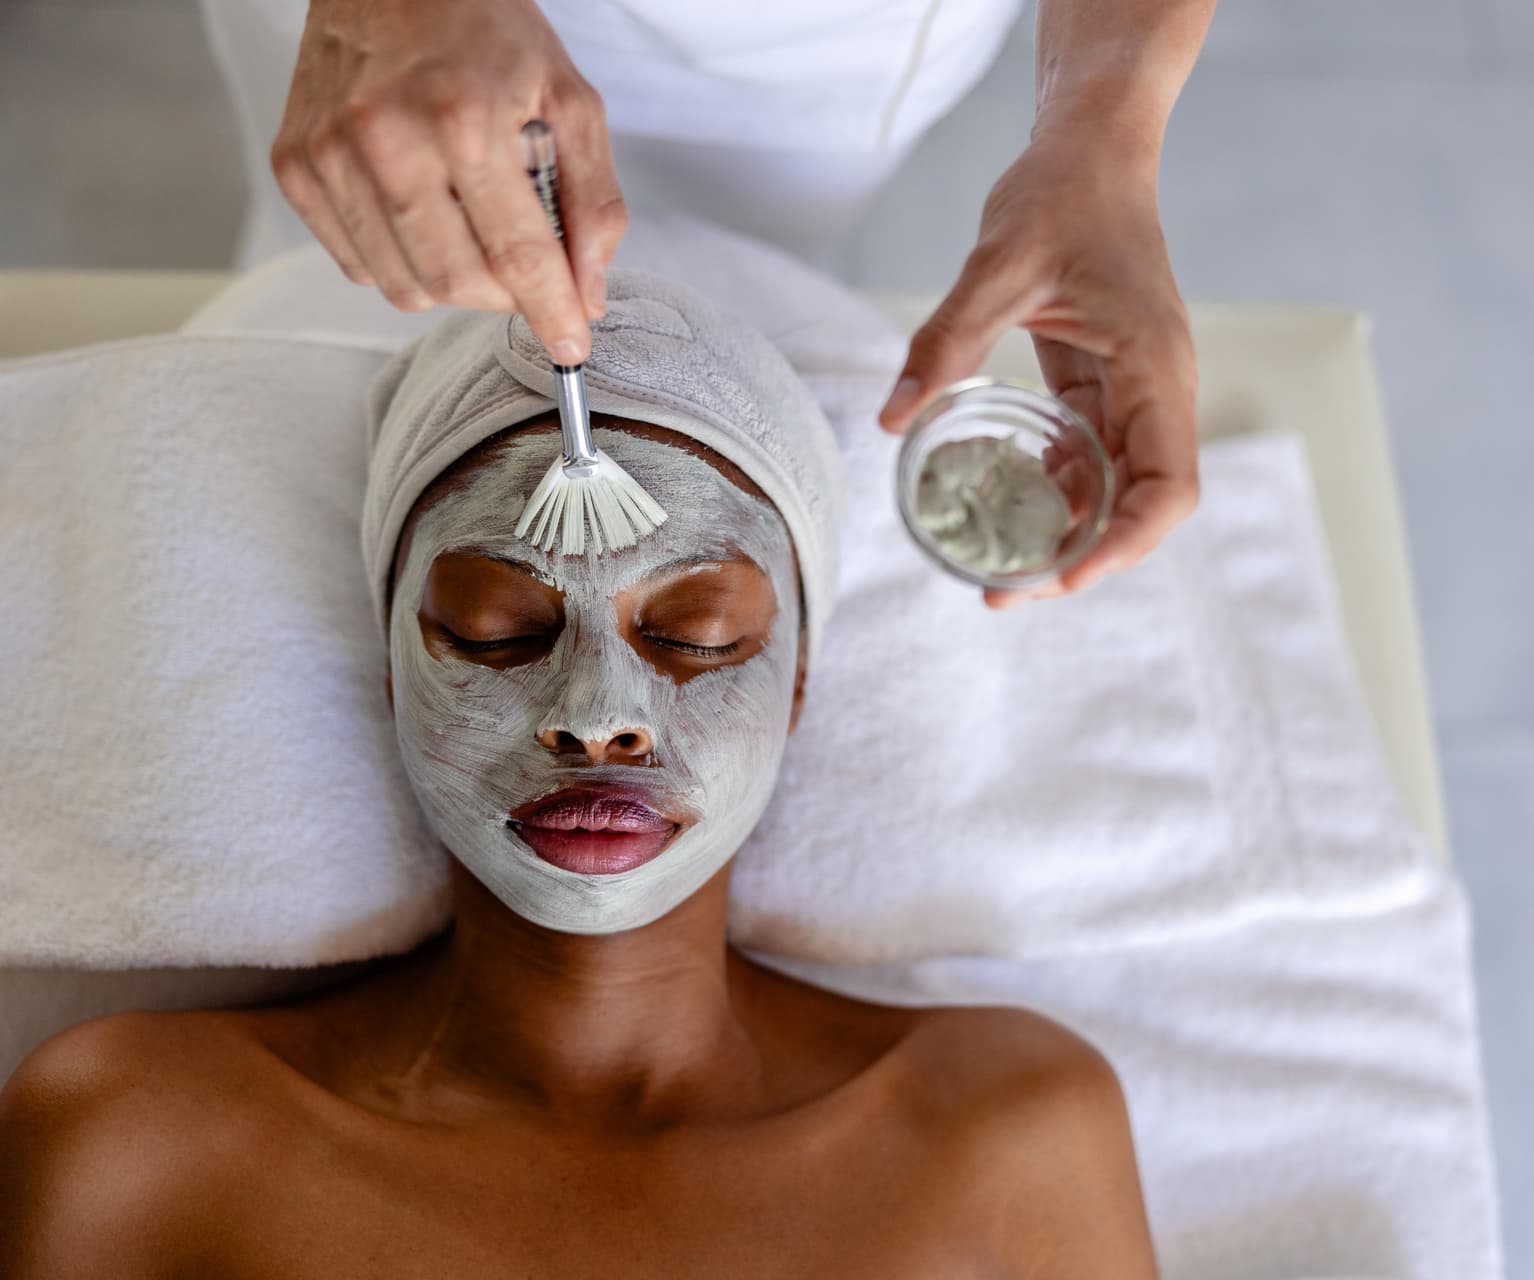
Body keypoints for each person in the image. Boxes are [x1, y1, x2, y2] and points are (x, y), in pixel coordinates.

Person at [0, 271, 1157, 1275]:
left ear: (800, 684)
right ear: (394, 669)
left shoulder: (1007, 1130)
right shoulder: (141, 1131)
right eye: (497, 627)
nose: (599, 716)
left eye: (696, 634)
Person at [225, 0, 1214, 606]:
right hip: (404, 44)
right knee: (370, 241)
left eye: (695, 632)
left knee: (761, 261)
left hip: (813, 54)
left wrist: (1106, 129)